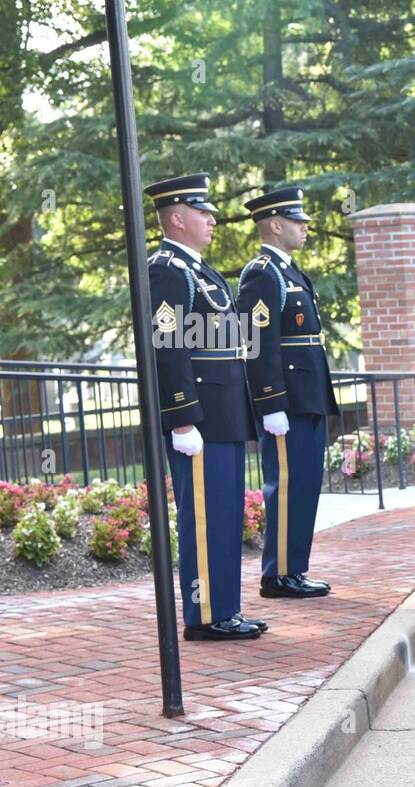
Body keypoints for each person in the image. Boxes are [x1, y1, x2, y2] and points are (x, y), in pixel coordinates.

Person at [145, 173, 263, 640]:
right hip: (200, 418)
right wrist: (180, 417)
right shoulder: (166, 269)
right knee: (204, 518)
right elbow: (167, 346)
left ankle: (225, 610)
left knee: (224, 514)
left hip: (225, 415)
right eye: (202, 211)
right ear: (177, 217)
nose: (213, 219)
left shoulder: (199, 269)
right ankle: (205, 616)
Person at [237, 187, 339, 599]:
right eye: (298, 222)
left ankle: (294, 569)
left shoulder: (291, 272)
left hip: (307, 398)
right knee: (286, 486)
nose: (306, 228)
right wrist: (270, 402)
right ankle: (277, 575)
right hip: (287, 405)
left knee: (305, 485)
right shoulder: (263, 273)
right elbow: (257, 344)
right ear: (275, 225)